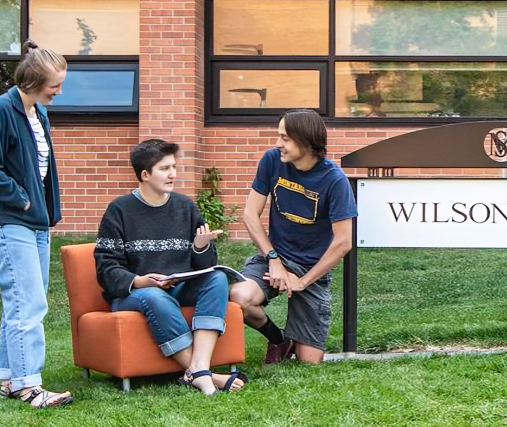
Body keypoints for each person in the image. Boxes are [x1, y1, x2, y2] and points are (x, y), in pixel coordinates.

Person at [94, 139, 247, 395]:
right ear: (144, 174)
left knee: (218, 279)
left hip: (177, 286)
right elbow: (106, 267)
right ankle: (202, 374)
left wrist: (200, 247)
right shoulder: (119, 210)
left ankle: (199, 368)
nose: (173, 174)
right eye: (164, 168)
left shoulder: (186, 207)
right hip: (135, 294)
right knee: (155, 296)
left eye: (174, 167)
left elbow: (205, 267)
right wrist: (141, 281)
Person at [0, 41, 73, 408]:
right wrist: (22, 198)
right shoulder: (1, 109)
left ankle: (9, 379)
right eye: (54, 86)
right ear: (32, 81)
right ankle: (29, 385)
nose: (59, 92)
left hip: (36, 224)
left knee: (21, 303)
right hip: (8, 222)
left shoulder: (38, 112)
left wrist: (44, 210)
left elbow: (42, 171)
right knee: (28, 305)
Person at [230, 109, 356, 364]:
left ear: (306, 141)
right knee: (238, 297)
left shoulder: (334, 180)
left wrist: (302, 281)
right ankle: (279, 339)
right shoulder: (272, 160)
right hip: (274, 259)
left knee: (309, 361)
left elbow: (343, 242)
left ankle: (298, 342)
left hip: (312, 268)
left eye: (285, 138)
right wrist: (274, 260)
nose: (278, 144)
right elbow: (250, 215)